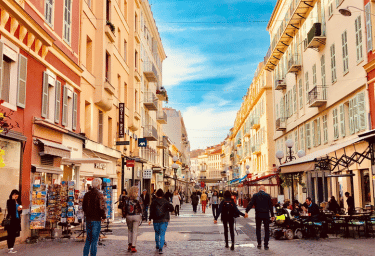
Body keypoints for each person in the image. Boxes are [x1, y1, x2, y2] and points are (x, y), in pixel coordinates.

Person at [245, 185, 275, 250]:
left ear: (259, 189)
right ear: (264, 189)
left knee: (258, 229)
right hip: (266, 214)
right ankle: (266, 244)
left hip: (258, 214)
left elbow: (251, 203)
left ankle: (259, 243)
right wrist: (272, 215)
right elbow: (271, 206)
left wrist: (246, 211)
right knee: (266, 229)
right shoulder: (268, 195)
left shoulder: (255, 195)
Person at [83, 178, 106, 256]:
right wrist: (103, 216)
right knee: (94, 240)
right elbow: (101, 207)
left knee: (88, 239)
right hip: (96, 219)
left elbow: (84, 207)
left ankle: (85, 255)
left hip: (88, 219)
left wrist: (87, 214)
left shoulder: (87, 194)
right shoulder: (99, 194)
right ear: (99, 185)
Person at [149, 189, 174, 254]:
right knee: (162, 234)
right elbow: (172, 208)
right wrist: (167, 210)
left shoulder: (154, 201)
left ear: (156, 194)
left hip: (156, 219)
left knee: (157, 233)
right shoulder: (165, 201)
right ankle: (161, 248)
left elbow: (151, 211)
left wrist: (149, 219)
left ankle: (157, 245)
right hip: (164, 219)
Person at [123, 186, 143, 253]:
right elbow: (141, 207)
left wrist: (124, 215)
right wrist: (142, 215)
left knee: (129, 230)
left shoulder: (126, 198)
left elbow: (124, 208)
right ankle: (133, 246)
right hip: (136, 216)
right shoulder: (138, 198)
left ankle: (129, 244)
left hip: (128, 216)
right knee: (135, 231)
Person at [5, 190, 22, 254]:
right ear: (12, 195)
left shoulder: (18, 202)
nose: (16, 196)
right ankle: (10, 248)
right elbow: (10, 211)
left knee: (14, 234)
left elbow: (20, 212)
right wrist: (13, 200)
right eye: (15, 194)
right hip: (11, 220)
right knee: (10, 234)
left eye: (17, 194)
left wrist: (20, 210)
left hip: (17, 220)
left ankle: (11, 248)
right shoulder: (9, 201)